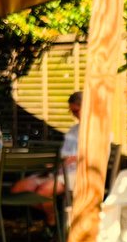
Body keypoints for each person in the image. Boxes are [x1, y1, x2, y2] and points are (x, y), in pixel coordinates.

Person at [11, 91, 81, 224]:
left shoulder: (98, 130)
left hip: (77, 174)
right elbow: (64, 154)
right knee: (18, 189)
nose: (75, 115)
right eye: (72, 111)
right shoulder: (73, 130)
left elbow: (95, 157)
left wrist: (70, 160)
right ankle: (54, 215)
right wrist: (53, 164)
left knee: (42, 192)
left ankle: (52, 223)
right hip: (59, 170)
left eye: (77, 111)